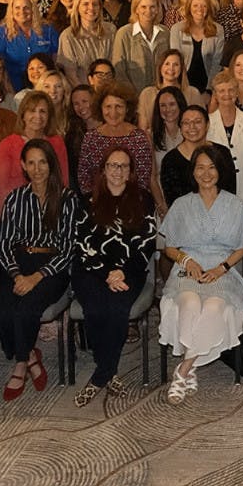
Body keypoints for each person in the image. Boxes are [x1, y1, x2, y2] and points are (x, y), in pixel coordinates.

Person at [159, 145, 243, 404]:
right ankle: (188, 371)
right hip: (187, 268)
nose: (206, 173)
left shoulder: (234, 204)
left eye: (212, 167)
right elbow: (169, 247)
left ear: (220, 170)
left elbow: (241, 248)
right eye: (200, 167)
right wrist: (187, 260)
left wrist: (220, 269)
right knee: (189, 302)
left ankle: (183, 369)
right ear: (193, 172)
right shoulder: (181, 204)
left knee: (214, 308)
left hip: (222, 269)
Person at [0, 139, 79, 400]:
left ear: (51, 164)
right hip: (17, 264)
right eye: (31, 162)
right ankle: (30, 354)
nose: (38, 168)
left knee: (26, 309)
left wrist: (36, 277)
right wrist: (17, 274)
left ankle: (20, 365)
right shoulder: (15, 198)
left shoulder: (67, 198)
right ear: (23, 166)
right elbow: (3, 244)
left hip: (52, 268)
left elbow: (69, 248)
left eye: (43, 162)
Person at [71, 147, 158, 406]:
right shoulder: (88, 200)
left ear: (131, 171)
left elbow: (147, 241)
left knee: (118, 307)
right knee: (96, 308)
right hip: (91, 270)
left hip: (129, 270)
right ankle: (109, 370)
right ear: (104, 169)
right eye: (112, 165)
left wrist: (123, 271)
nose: (117, 171)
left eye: (123, 166)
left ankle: (101, 374)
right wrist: (107, 272)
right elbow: (82, 243)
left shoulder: (144, 199)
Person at [0, 92, 70, 213]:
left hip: (51, 210)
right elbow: (1, 189)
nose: (38, 116)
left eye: (43, 111)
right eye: (32, 111)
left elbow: (63, 181)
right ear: (23, 115)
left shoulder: (57, 142)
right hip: (18, 212)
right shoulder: (7, 145)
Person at [206, 70, 243, 218]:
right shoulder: (207, 123)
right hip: (216, 194)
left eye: (231, 90)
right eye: (221, 90)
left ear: (237, 92)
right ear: (215, 94)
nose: (226, 94)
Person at [77, 81, 155, 196]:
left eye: (118, 106)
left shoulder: (139, 138)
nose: (113, 112)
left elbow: (143, 178)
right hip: (98, 202)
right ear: (101, 108)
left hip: (133, 202)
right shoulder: (91, 138)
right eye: (108, 106)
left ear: (127, 109)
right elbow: (84, 177)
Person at [0, 0, 60, 93]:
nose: (22, 11)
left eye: (26, 7)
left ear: (33, 9)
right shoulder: (1, 33)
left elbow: (56, 60)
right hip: (12, 87)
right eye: (17, 7)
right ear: (11, 10)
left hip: (45, 88)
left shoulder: (48, 30)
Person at [110, 0, 170, 95]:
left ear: (157, 9)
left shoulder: (165, 33)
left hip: (162, 95)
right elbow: (119, 71)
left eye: (152, 7)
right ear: (136, 9)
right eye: (143, 7)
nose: (148, 11)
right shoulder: (124, 34)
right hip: (133, 96)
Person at [168, 0, 224, 96]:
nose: (200, 9)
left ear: (208, 9)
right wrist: (185, 89)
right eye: (195, 5)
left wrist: (209, 91)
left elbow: (216, 63)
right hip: (183, 85)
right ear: (189, 7)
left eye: (204, 6)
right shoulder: (176, 29)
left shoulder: (218, 30)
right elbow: (176, 60)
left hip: (208, 86)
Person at [58, 0, 117, 85]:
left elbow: (115, 66)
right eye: (85, 4)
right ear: (77, 7)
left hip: (108, 89)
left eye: (95, 4)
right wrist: (87, 95)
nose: (91, 8)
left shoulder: (111, 30)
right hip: (81, 91)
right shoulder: (67, 36)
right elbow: (71, 75)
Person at [138, 49, 205, 132]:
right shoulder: (147, 94)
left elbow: (202, 123)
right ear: (160, 67)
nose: (171, 68)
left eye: (176, 64)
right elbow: (143, 127)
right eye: (167, 64)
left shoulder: (193, 93)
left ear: (181, 68)